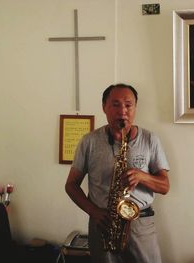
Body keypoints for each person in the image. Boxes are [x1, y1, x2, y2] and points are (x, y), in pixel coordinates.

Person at [65, 83, 170, 263]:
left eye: (128, 105)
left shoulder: (150, 139)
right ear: (104, 107)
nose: (123, 111)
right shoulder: (88, 141)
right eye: (115, 104)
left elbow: (165, 186)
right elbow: (71, 185)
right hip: (103, 222)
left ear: (135, 108)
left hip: (140, 224)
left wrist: (141, 176)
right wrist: (94, 212)